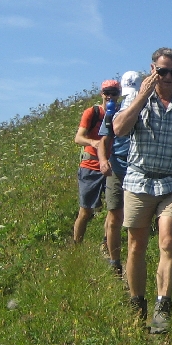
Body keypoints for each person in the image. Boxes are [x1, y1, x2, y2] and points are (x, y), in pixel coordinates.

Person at [112, 49, 172, 333]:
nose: (168, 78)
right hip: (139, 181)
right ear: (152, 69)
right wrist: (142, 96)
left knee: (167, 241)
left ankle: (163, 306)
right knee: (136, 245)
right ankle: (136, 302)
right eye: (162, 71)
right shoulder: (135, 99)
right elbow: (118, 129)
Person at [97, 70, 141, 277]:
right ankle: (114, 261)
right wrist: (104, 161)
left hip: (138, 168)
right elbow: (104, 140)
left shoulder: (146, 107)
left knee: (134, 219)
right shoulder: (113, 110)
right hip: (117, 166)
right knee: (115, 215)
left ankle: (133, 258)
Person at [73, 79, 120, 245]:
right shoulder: (92, 113)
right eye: (107, 93)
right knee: (85, 211)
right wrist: (93, 142)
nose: (110, 96)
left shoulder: (120, 113)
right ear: (102, 94)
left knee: (113, 209)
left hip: (112, 166)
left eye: (114, 93)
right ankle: (77, 244)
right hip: (90, 166)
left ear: (119, 94)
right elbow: (78, 138)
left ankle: (106, 243)